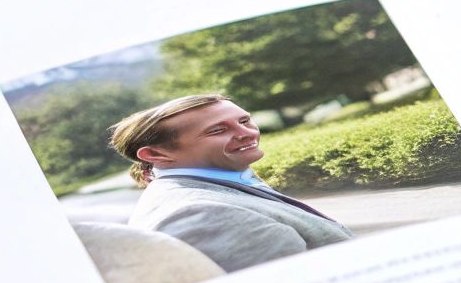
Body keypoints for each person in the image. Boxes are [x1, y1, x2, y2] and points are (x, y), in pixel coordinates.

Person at [108, 94, 353, 272]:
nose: (248, 133)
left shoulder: (205, 185)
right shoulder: (201, 215)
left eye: (244, 121)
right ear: (156, 155)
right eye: (217, 130)